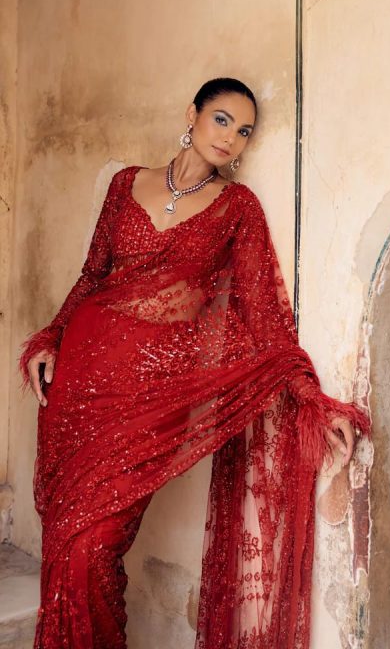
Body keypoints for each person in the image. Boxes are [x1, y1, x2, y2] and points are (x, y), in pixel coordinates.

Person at [20, 78, 369, 649]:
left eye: (244, 131)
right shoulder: (125, 184)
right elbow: (92, 276)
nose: (231, 137)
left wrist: (312, 399)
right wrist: (51, 338)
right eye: (222, 119)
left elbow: (264, 318)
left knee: (93, 547)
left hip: (152, 398)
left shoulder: (238, 208)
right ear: (193, 114)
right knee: (67, 540)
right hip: (80, 381)